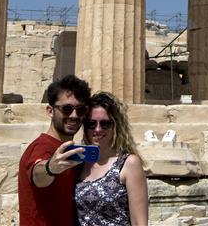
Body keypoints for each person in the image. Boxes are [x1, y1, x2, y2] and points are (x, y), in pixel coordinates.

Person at [18, 74, 92, 225]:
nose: (74, 115)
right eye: (66, 109)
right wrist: (50, 168)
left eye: (80, 110)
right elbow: (38, 175)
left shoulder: (70, 150)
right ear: (50, 111)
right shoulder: (42, 147)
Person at [75, 91, 149, 225]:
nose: (97, 129)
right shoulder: (79, 164)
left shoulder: (129, 163)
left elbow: (139, 222)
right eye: (91, 124)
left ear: (116, 126)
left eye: (105, 124)